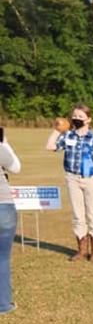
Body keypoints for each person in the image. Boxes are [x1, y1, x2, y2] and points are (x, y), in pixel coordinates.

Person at [45, 105, 93, 262]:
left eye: (80, 116)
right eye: (74, 116)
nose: (77, 119)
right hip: (72, 179)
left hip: (90, 179)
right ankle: (81, 251)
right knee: (78, 216)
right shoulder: (68, 136)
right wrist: (57, 130)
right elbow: (50, 146)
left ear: (88, 119)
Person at [0, 129, 21, 314]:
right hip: (3, 206)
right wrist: (5, 143)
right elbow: (16, 167)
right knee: (2, 258)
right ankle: (4, 304)